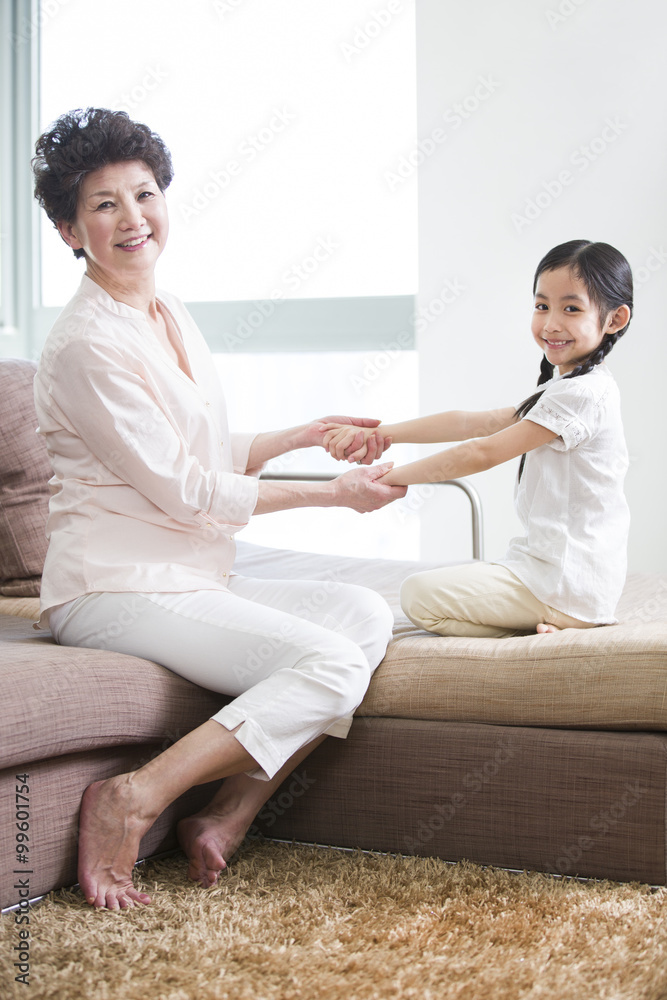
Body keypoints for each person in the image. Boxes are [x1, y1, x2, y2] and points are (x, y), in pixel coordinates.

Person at [31, 107, 407, 911]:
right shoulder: (86, 346)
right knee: (331, 664)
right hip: (114, 588)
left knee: (362, 615)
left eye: (144, 194)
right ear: (69, 229)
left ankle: (228, 811)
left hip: (189, 575)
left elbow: (200, 448)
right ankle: (131, 797)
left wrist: (295, 436)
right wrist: (333, 497)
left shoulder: (166, 313)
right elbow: (186, 488)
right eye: (103, 204)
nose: (133, 218)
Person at [323, 240, 632, 638]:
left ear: (615, 319)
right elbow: (473, 423)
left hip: (567, 584)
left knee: (417, 595)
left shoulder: (584, 393)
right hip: (556, 573)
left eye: (571, 308)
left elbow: (481, 451)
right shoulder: (569, 387)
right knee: (445, 583)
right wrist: (382, 433)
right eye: (542, 306)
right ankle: (552, 621)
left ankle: (556, 626)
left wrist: (384, 480)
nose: (551, 323)